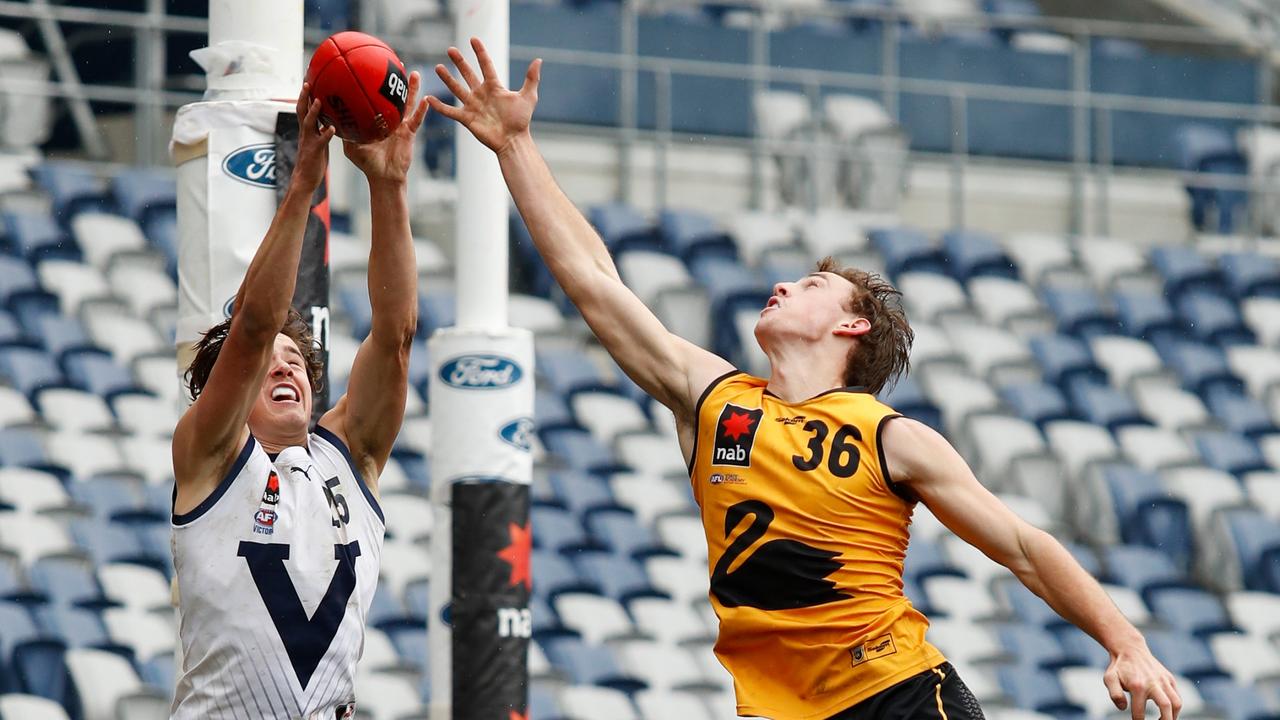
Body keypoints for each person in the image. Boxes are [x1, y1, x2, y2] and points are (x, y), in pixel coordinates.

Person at [429, 39, 1184, 720]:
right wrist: (516, 149)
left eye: (811, 286)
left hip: (897, 695)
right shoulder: (715, 398)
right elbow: (597, 281)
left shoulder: (892, 437)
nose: (783, 288)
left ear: (852, 327)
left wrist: (1126, 641)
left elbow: (1022, 545)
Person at [169, 77, 429, 719]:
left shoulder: (350, 458)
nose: (286, 368)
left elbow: (395, 336)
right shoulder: (208, 457)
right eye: (267, 367)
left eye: (299, 361)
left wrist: (387, 187)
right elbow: (255, 329)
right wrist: (305, 182)